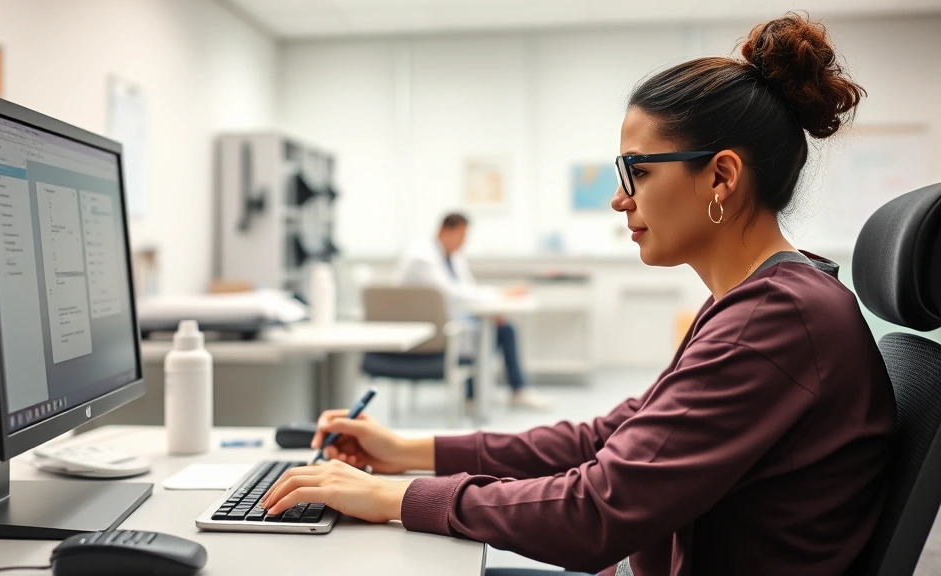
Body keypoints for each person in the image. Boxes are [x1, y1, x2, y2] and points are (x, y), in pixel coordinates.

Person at [260, 13, 896, 576]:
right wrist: (410, 451)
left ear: (721, 176)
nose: (620, 198)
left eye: (637, 172)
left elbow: (596, 511)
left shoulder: (776, 320)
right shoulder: (762, 302)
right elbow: (607, 437)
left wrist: (395, 497)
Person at [395, 212, 551, 410]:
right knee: (489, 332)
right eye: (460, 237)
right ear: (445, 231)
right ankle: (485, 394)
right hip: (428, 330)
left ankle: (497, 392)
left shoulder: (452, 256)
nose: (463, 243)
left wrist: (496, 304)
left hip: (448, 319)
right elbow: (451, 294)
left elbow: (467, 288)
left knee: (503, 327)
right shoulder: (421, 257)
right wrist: (500, 296)